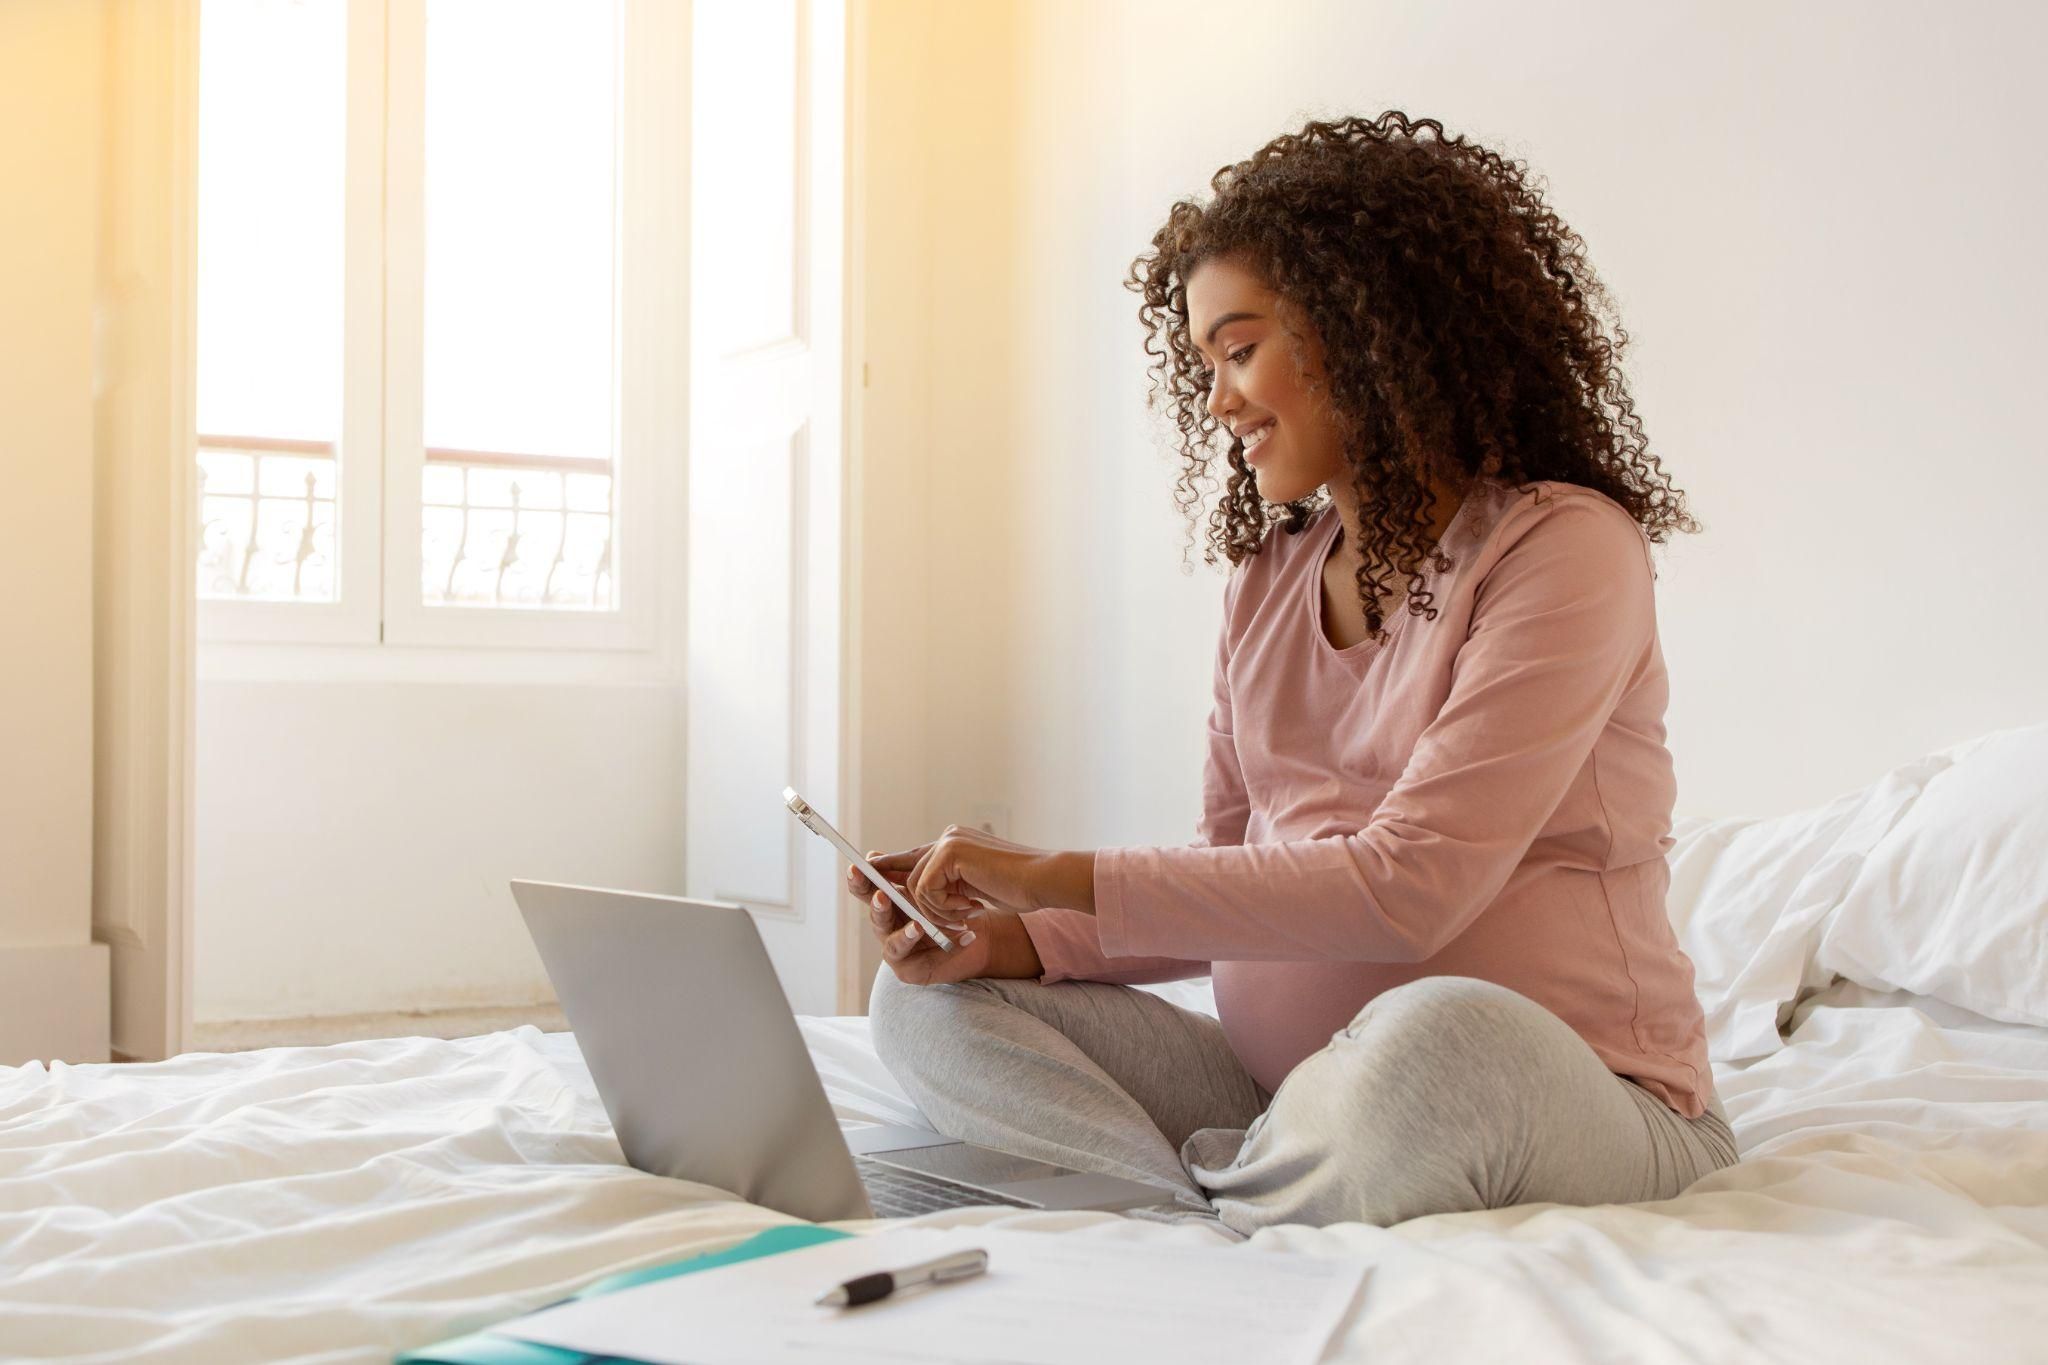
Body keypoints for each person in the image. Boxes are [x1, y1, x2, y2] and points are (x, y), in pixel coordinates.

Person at [853, 111, 1737, 1236]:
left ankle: (1225, 1201)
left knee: (1439, 1038)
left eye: (1238, 347)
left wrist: (1054, 875)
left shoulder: (1560, 549)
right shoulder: (1265, 583)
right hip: (1290, 1099)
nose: (1217, 400)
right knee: (930, 1004)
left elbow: (1411, 888)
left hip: (1566, 1095)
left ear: (1372, 329)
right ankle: (1195, 1213)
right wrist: (1008, 937)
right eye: (1204, 365)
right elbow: (1229, 878)